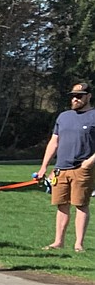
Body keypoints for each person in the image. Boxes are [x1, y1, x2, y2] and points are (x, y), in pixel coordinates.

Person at [36, 81, 95, 252]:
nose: (75, 99)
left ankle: (78, 244)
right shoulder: (63, 117)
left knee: (81, 204)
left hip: (82, 168)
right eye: (73, 96)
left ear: (88, 96)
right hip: (61, 168)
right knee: (61, 205)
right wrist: (44, 167)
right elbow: (54, 142)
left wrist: (89, 162)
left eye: (79, 96)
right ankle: (58, 241)